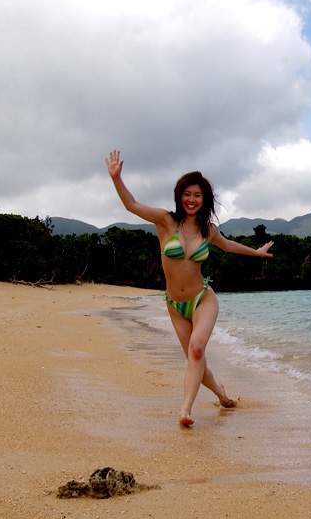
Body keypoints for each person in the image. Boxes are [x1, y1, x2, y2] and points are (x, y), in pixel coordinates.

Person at [105, 149, 273, 428]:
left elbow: (228, 246)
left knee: (196, 351)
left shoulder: (209, 230)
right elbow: (131, 204)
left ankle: (185, 410)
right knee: (196, 359)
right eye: (187, 194)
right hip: (174, 305)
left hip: (202, 299)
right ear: (179, 196)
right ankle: (222, 395)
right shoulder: (165, 221)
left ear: (204, 199)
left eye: (197, 195)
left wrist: (256, 253)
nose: (192, 200)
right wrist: (116, 179)